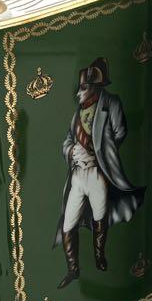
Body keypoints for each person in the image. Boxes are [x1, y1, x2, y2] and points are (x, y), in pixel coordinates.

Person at [54, 57, 144, 288]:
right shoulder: (78, 112)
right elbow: (67, 140)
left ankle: (99, 256)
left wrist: (99, 153)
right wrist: (72, 152)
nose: (78, 93)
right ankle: (73, 269)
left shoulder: (111, 103)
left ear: (93, 87)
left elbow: (120, 132)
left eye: (83, 88)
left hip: (98, 174)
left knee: (99, 218)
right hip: (77, 175)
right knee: (68, 224)